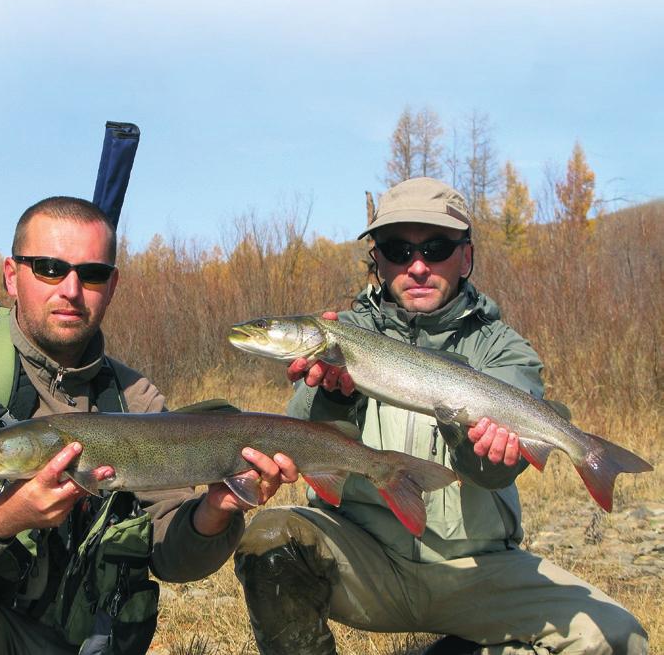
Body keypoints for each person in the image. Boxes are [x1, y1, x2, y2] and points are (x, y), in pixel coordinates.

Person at [0, 196, 297, 654]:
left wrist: (216, 510)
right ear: (12, 275)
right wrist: (5, 516)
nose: (70, 289)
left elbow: (172, 559)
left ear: (111, 285)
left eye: (90, 273)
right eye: (49, 268)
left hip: (90, 641)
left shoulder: (135, 396)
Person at [234, 177, 648, 655]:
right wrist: (333, 396)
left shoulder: (502, 348)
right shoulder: (341, 336)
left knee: (618, 636)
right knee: (269, 538)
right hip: (367, 559)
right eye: (396, 249)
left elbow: (496, 471)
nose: (417, 266)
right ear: (377, 261)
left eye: (436, 248)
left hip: (477, 570)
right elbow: (303, 440)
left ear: (465, 257)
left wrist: (489, 449)